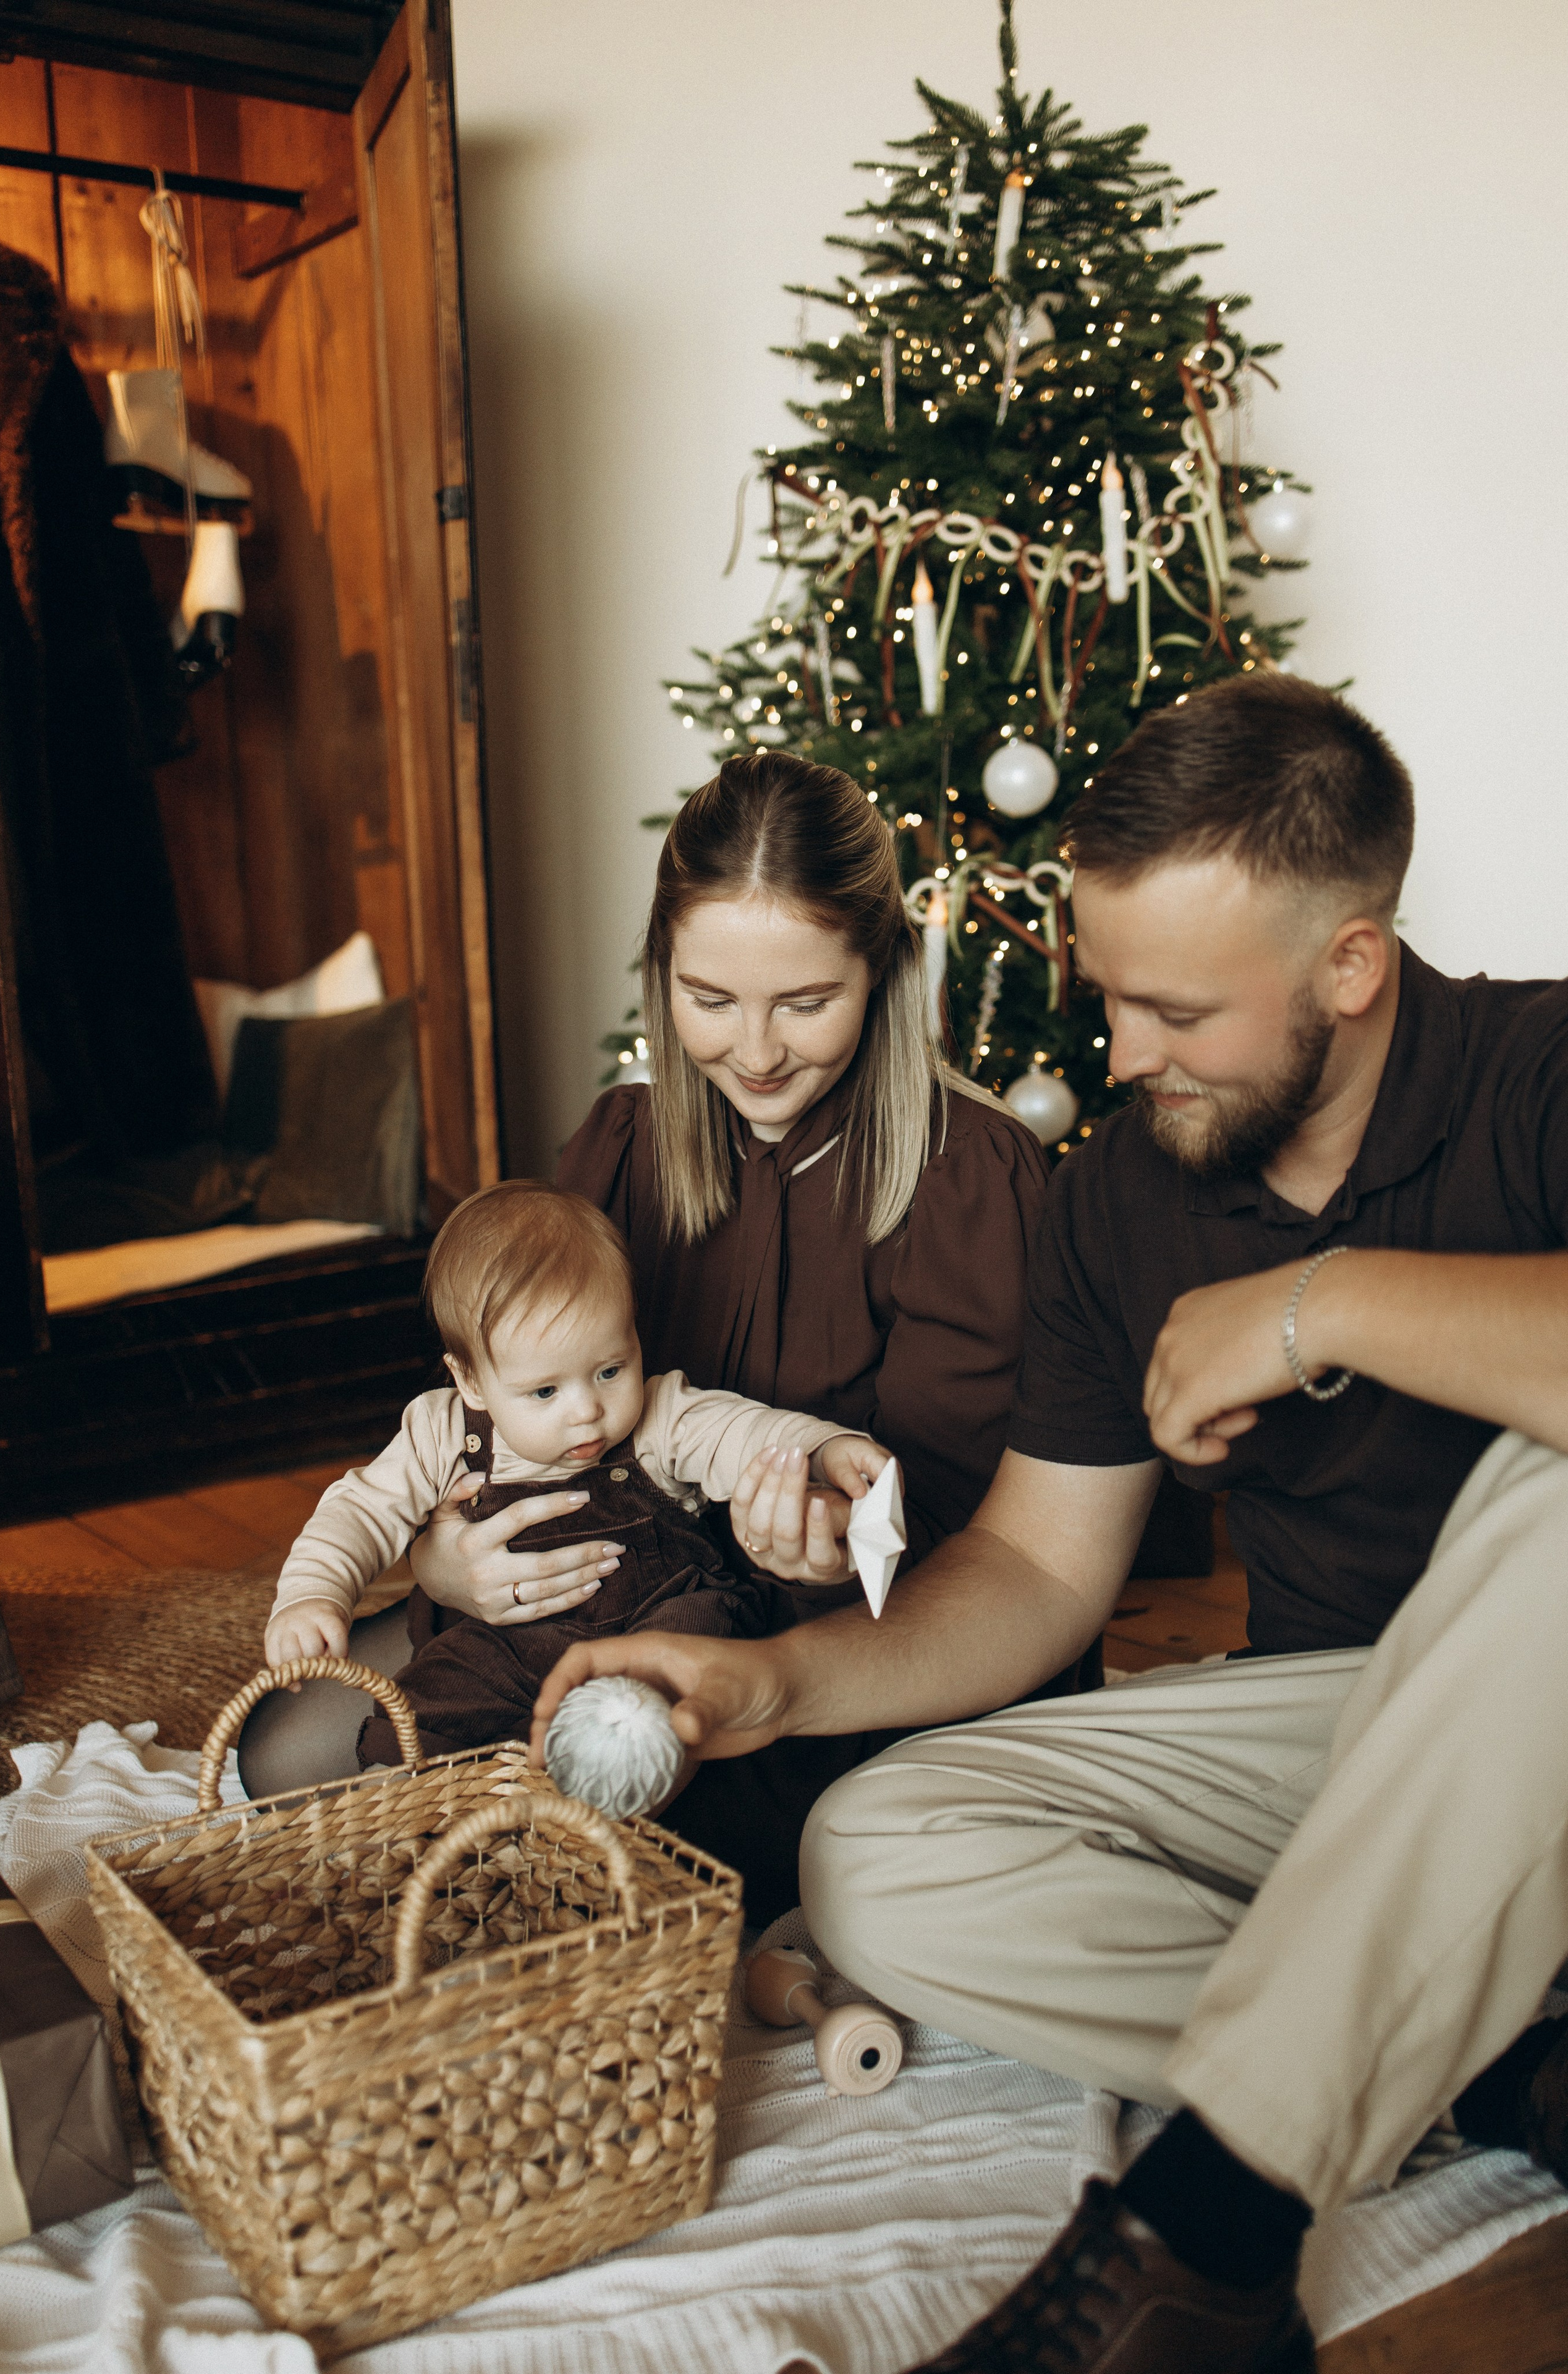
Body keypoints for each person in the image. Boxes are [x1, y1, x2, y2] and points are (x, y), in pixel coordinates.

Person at [528, 675, 1568, 2374]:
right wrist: (772, 1686)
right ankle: (1502, 2059)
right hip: (1348, 1733)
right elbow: (1032, 1568)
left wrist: (1328, 1301)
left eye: (1173, 1012)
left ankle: (1217, 2229)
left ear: (1351, 968)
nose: (1121, 1056)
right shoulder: (1121, 1195)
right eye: (1109, 998)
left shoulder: (1541, 1069)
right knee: (872, 1858)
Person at [406, 751, 1082, 1920]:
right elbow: (501, 1409)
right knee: (313, 1746)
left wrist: (837, 1557)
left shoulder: (972, 1175)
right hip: (624, 1620)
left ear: (882, 972)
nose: (756, 1053)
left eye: (806, 1003)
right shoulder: (619, 1146)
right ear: (663, 969)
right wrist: (440, 1562)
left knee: (640, 1837)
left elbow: (996, 1550)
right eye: (709, 1000)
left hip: (861, 1674)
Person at [256, 1180, 886, 1771]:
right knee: (427, 1703)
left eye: (610, 1370)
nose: (586, 1410)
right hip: (506, 1642)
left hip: (656, 1618)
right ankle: (411, 1814)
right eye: (545, 1390)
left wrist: (824, 1450)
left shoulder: (661, 1416)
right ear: (471, 1380)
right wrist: (315, 1594)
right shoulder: (444, 1431)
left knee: (691, 1651)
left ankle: (606, 1789)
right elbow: (360, 1511)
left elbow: (747, 1433)